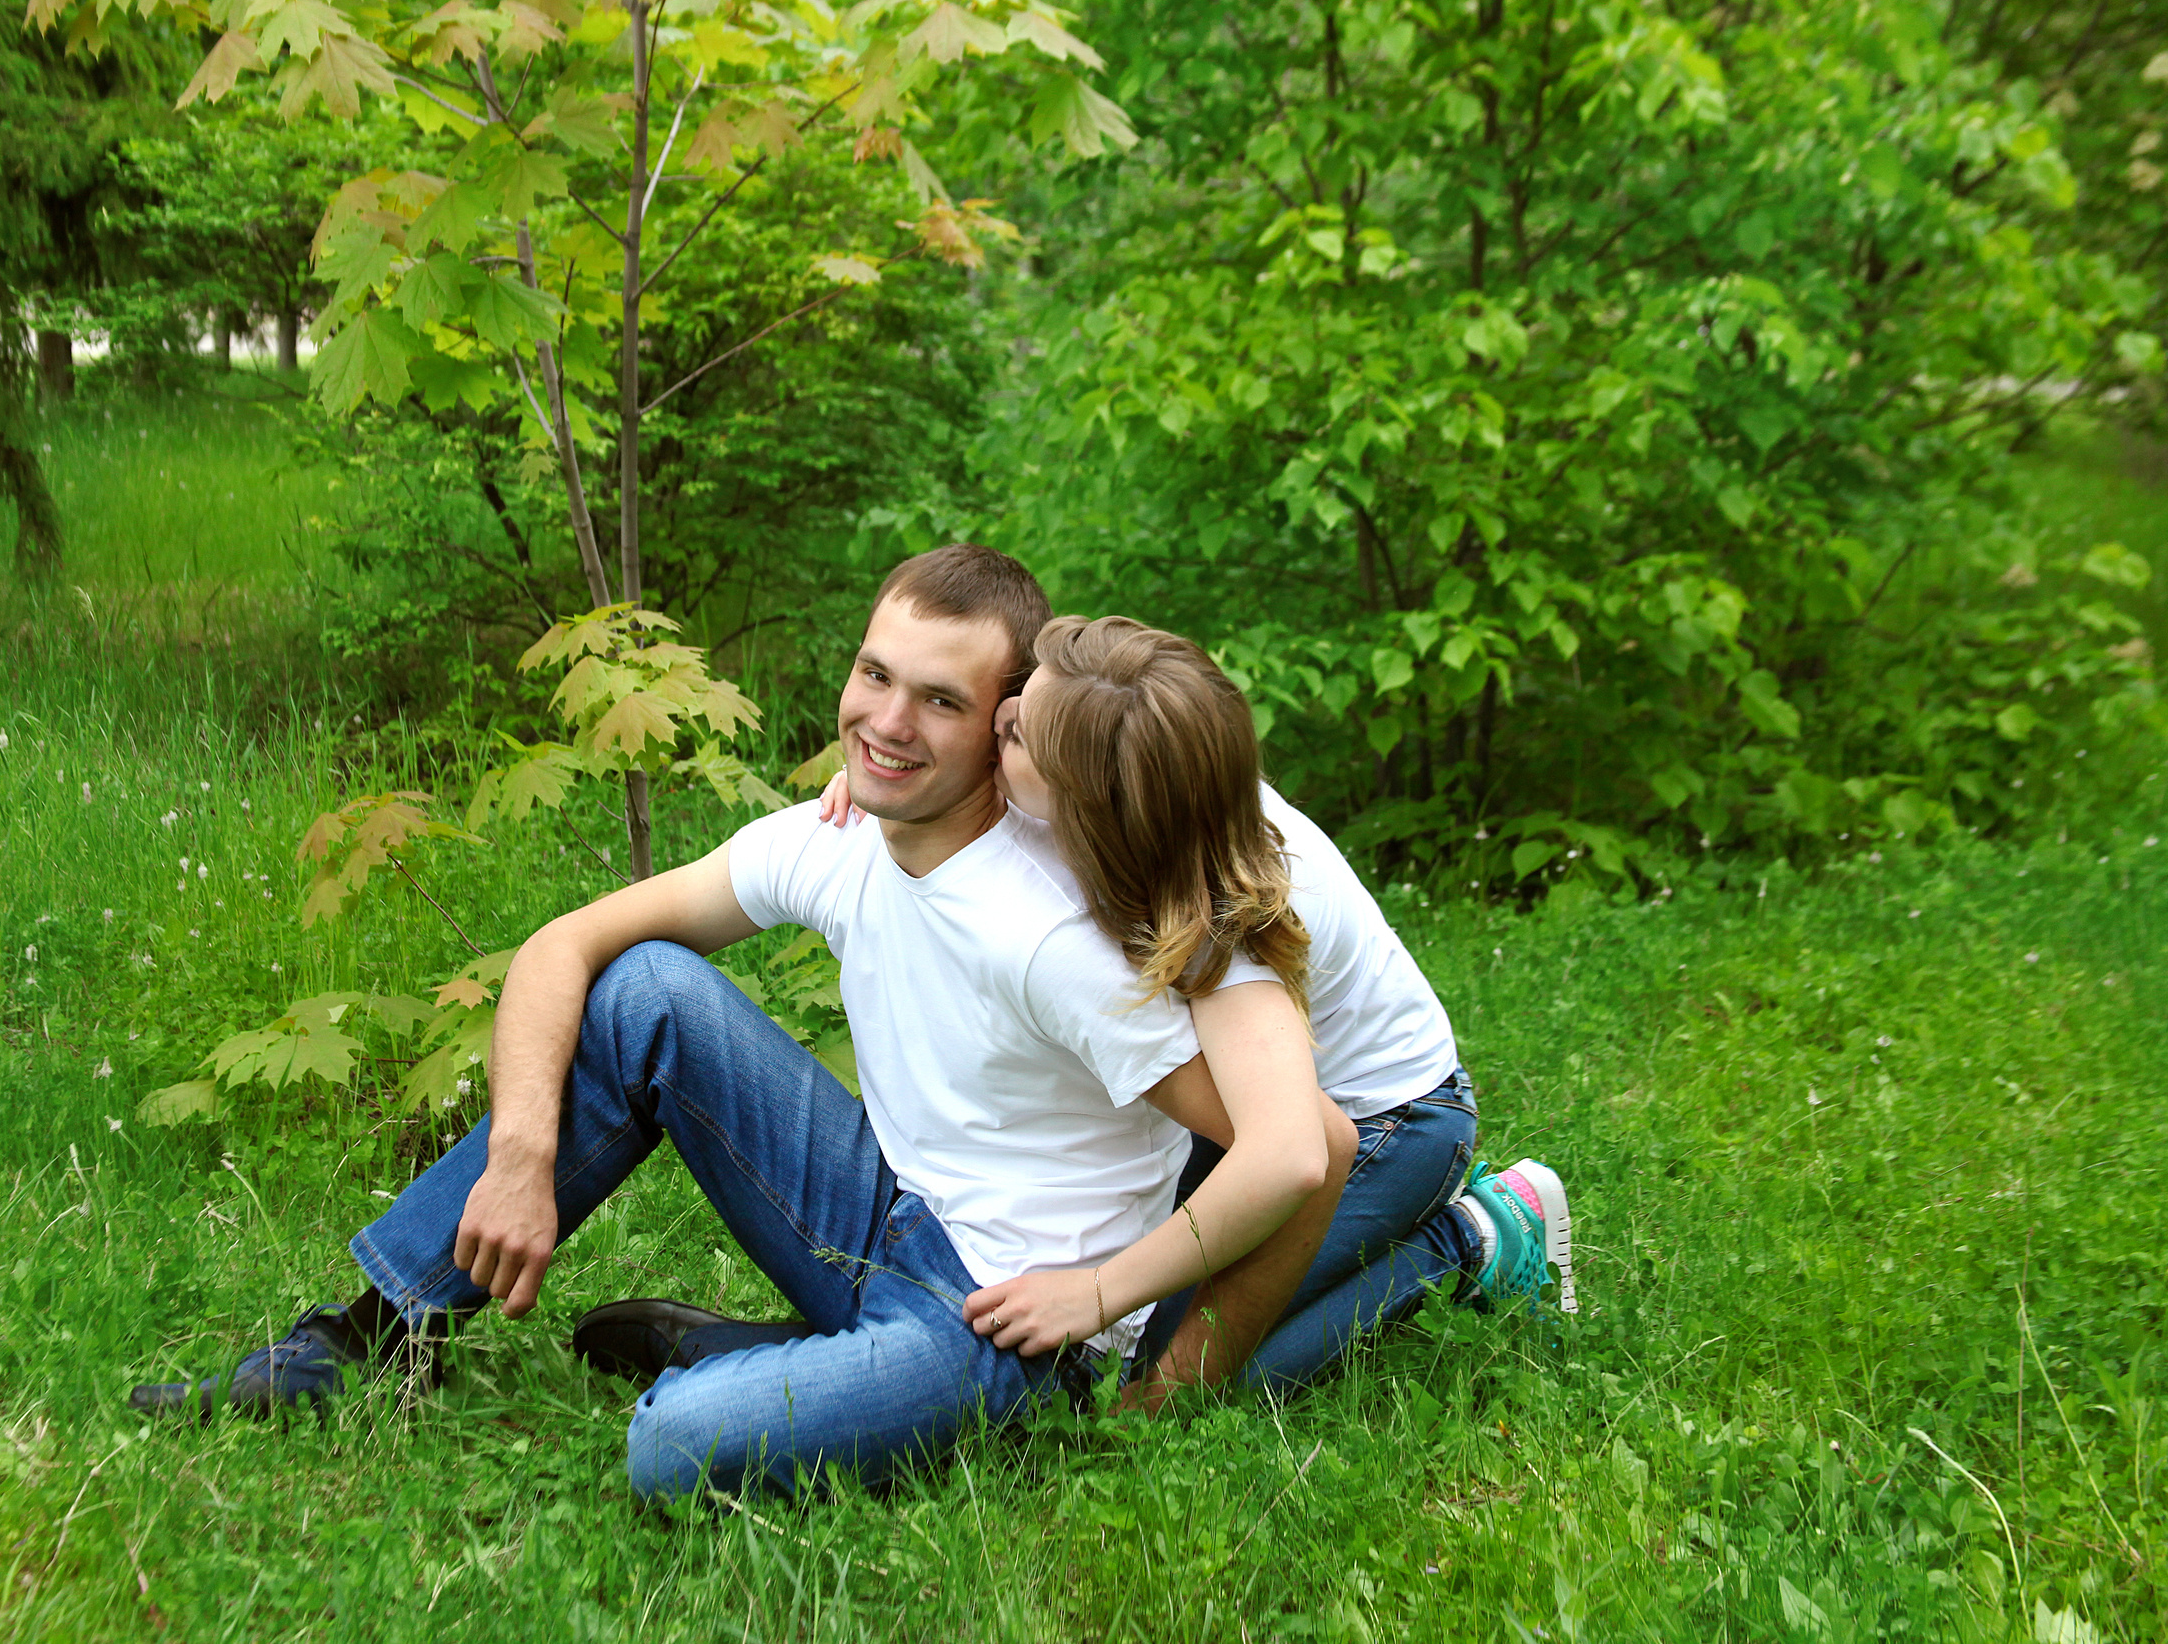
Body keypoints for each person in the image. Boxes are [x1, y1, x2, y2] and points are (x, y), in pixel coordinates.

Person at [130, 546, 1351, 1496]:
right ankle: (359, 1342)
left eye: (938, 701)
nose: (885, 722)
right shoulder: (837, 837)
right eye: (875, 674)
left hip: (996, 1323)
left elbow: (1298, 1147)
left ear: (1005, 726)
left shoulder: (1050, 933)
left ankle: (773, 1365)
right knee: (645, 990)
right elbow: (567, 945)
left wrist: (1111, 1307)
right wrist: (516, 1158)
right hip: (886, 1209)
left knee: (670, 1450)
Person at [821, 613, 1576, 1396]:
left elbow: (1294, 1152)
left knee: (1184, 1371)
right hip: (1231, 1099)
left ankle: (1474, 1235)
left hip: (1386, 1118)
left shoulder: (1221, 912)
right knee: (1153, 1319)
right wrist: (888, 774)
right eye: (1015, 701)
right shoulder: (1123, 730)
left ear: (1089, 807)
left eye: (1015, 738)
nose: (998, 725)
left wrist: (1099, 1290)